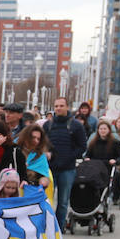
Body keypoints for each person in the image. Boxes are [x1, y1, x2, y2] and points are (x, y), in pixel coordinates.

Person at [43, 97, 88, 229]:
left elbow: (82, 146)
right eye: (56, 106)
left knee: (63, 201)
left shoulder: (76, 125)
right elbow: (42, 144)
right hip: (50, 169)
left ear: (67, 107)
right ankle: (48, 227)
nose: (58, 108)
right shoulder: (48, 125)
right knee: (47, 199)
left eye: (61, 105)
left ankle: (59, 227)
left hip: (67, 169)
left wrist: (68, 157)